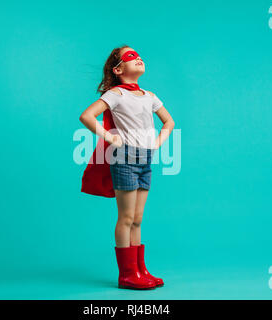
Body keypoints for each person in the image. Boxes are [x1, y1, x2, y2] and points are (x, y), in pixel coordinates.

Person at [79, 45, 175, 289]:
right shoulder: (115, 95)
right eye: (131, 57)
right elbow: (87, 116)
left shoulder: (150, 96)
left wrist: (157, 143)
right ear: (119, 69)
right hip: (124, 159)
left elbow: (169, 122)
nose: (138, 58)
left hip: (145, 159)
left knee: (138, 219)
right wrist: (110, 138)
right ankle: (127, 274)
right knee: (126, 217)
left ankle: (140, 270)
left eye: (140, 55)